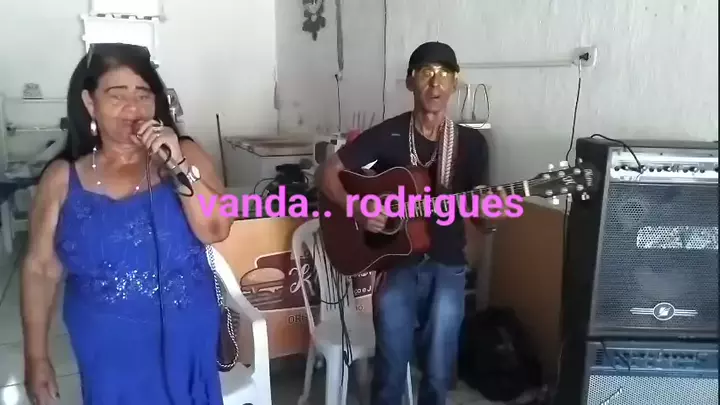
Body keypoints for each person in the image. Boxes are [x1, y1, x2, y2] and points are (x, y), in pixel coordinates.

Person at [20, 43, 232, 405]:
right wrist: (36, 358)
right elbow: (40, 269)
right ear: (90, 103)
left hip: (188, 337)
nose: (133, 108)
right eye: (117, 95)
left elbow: (217, 229)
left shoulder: (187, 155)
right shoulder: (62, 178)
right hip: (108, 351)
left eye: (143, 95)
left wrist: (177, 164)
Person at [319, 42, 501, 405]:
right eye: (426, 73)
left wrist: (490, 216)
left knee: (439, 370)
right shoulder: (388, 134)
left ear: (455, 84)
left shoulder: (471, 144)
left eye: (445, 75)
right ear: (410, 82)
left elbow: (482, 219)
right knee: (390, 366)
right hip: (396, 263)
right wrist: (357, 209)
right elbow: (327, 172)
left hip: (448, 264)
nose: (435, 83)